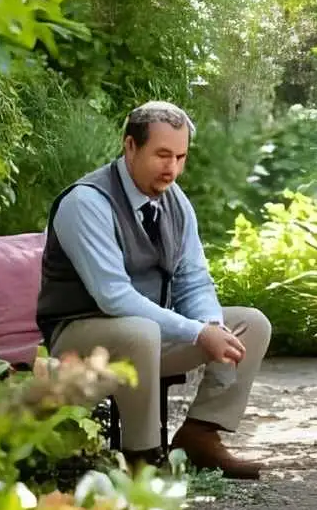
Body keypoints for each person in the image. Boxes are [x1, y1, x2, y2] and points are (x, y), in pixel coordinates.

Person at [35, 101, 271, 479]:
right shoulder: (86, 202)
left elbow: (193, 278)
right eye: (162, 155)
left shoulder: (176, 203)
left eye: (180, 156)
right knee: (140, 329)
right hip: (83, 341)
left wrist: (211, 324)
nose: (172, 169)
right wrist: (197, 332)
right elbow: (114, 296)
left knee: (251, 325)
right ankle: (143, 457)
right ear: (130, 146)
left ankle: (200, 435)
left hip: (148, 337)